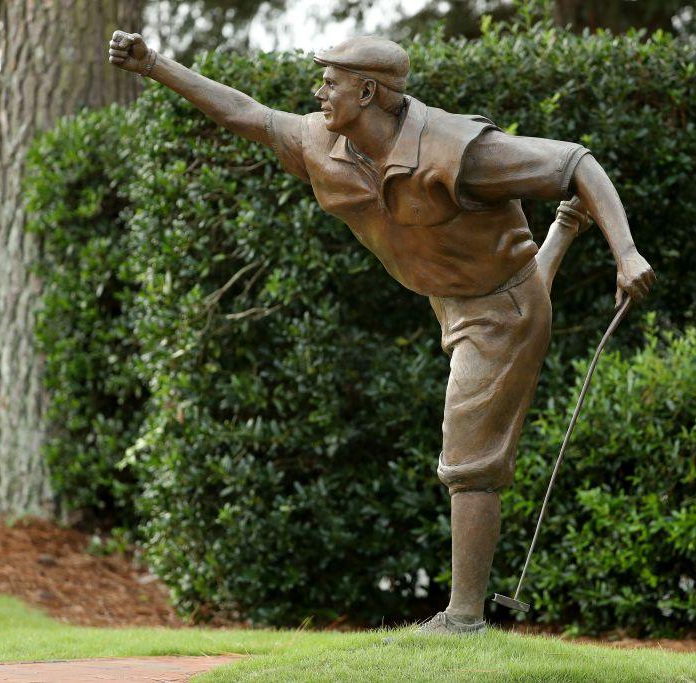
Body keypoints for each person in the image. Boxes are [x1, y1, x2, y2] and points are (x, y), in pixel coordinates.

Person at [108, 32, 655, 635]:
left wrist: (625, 253)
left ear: (368, 91)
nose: (318, 92)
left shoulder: (457, 149)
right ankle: (556, 239)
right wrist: (156, 66)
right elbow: (249, 115)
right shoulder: (324, 143)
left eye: (331, 82)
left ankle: (466, 617)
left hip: (499, 310)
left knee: (467, 453)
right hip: (451, 296)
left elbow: (576, 161)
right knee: (511, 301)